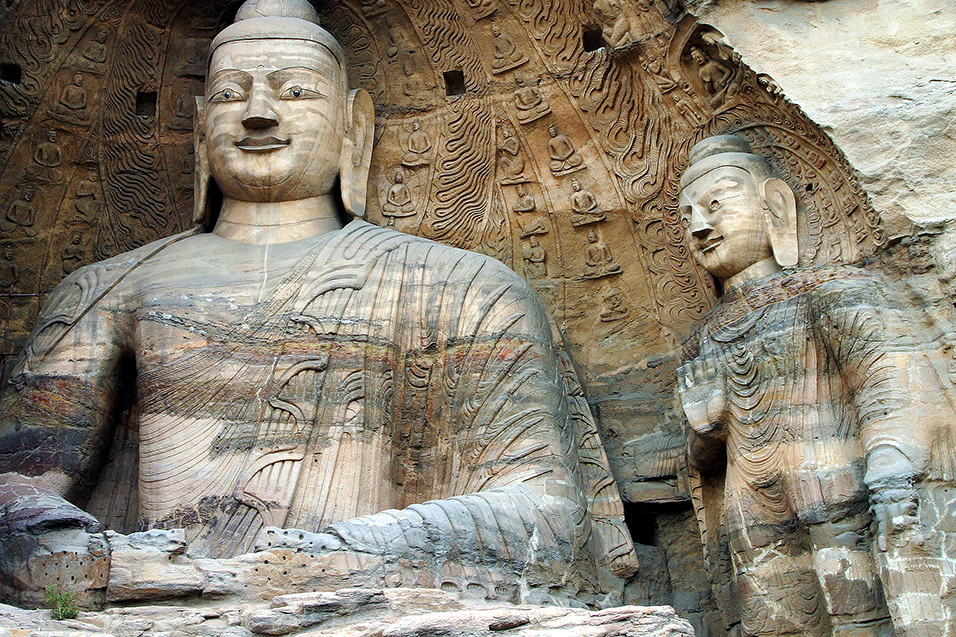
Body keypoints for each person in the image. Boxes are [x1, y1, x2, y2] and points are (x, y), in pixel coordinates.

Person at [0, 0, 635, 608]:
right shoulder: (106, 292)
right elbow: (17, 496)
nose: (256, 114)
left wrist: (340, 555)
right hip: (155, 600)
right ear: (198, 128)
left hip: (366, 596)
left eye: (295, 91)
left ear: (356, 125)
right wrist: (101, 562)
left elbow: (548, 518)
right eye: (229, 94)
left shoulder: (464, 287)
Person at [678, 134, 956, 635]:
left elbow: (888, 383)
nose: (700, 227)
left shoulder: (834, 289)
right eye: (687, 217)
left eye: (716, 205)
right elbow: (704, 465)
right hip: (753, 520)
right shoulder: (703, 338)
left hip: (841, 495)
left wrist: (892, 467)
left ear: (776, 205)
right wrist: (706, 429)